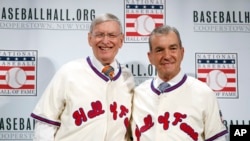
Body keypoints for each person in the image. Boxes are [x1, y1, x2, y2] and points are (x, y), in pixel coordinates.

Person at [30, 13, 135, 141]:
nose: (105, 41)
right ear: (90, 39)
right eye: (99, 35)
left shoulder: (127, 78)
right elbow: (45, 122)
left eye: (112, 35)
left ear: (121, 41)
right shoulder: (69, 72)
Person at [131, 25, 228, 141]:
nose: (167, 56)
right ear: (150, 57)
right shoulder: (137, 95)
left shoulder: (204, 93)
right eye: (159, 50)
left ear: (182, 52)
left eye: (173, 48)